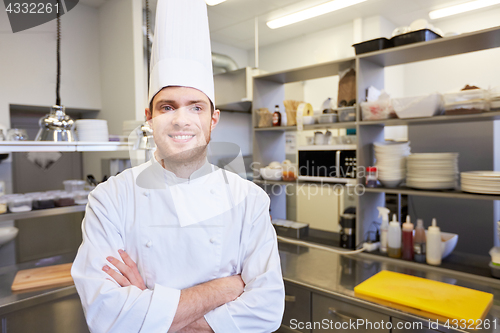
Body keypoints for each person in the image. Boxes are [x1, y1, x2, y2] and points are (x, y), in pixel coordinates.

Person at [70, 0, 285, 332]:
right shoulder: (109, 198)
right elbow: (107, 317)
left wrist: (147, 309)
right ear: (150, 118)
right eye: (167, 107)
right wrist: (226, 288)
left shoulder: (250, 200)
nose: (181, 120)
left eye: (195, 107)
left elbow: (268, 310)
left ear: (213, 119)